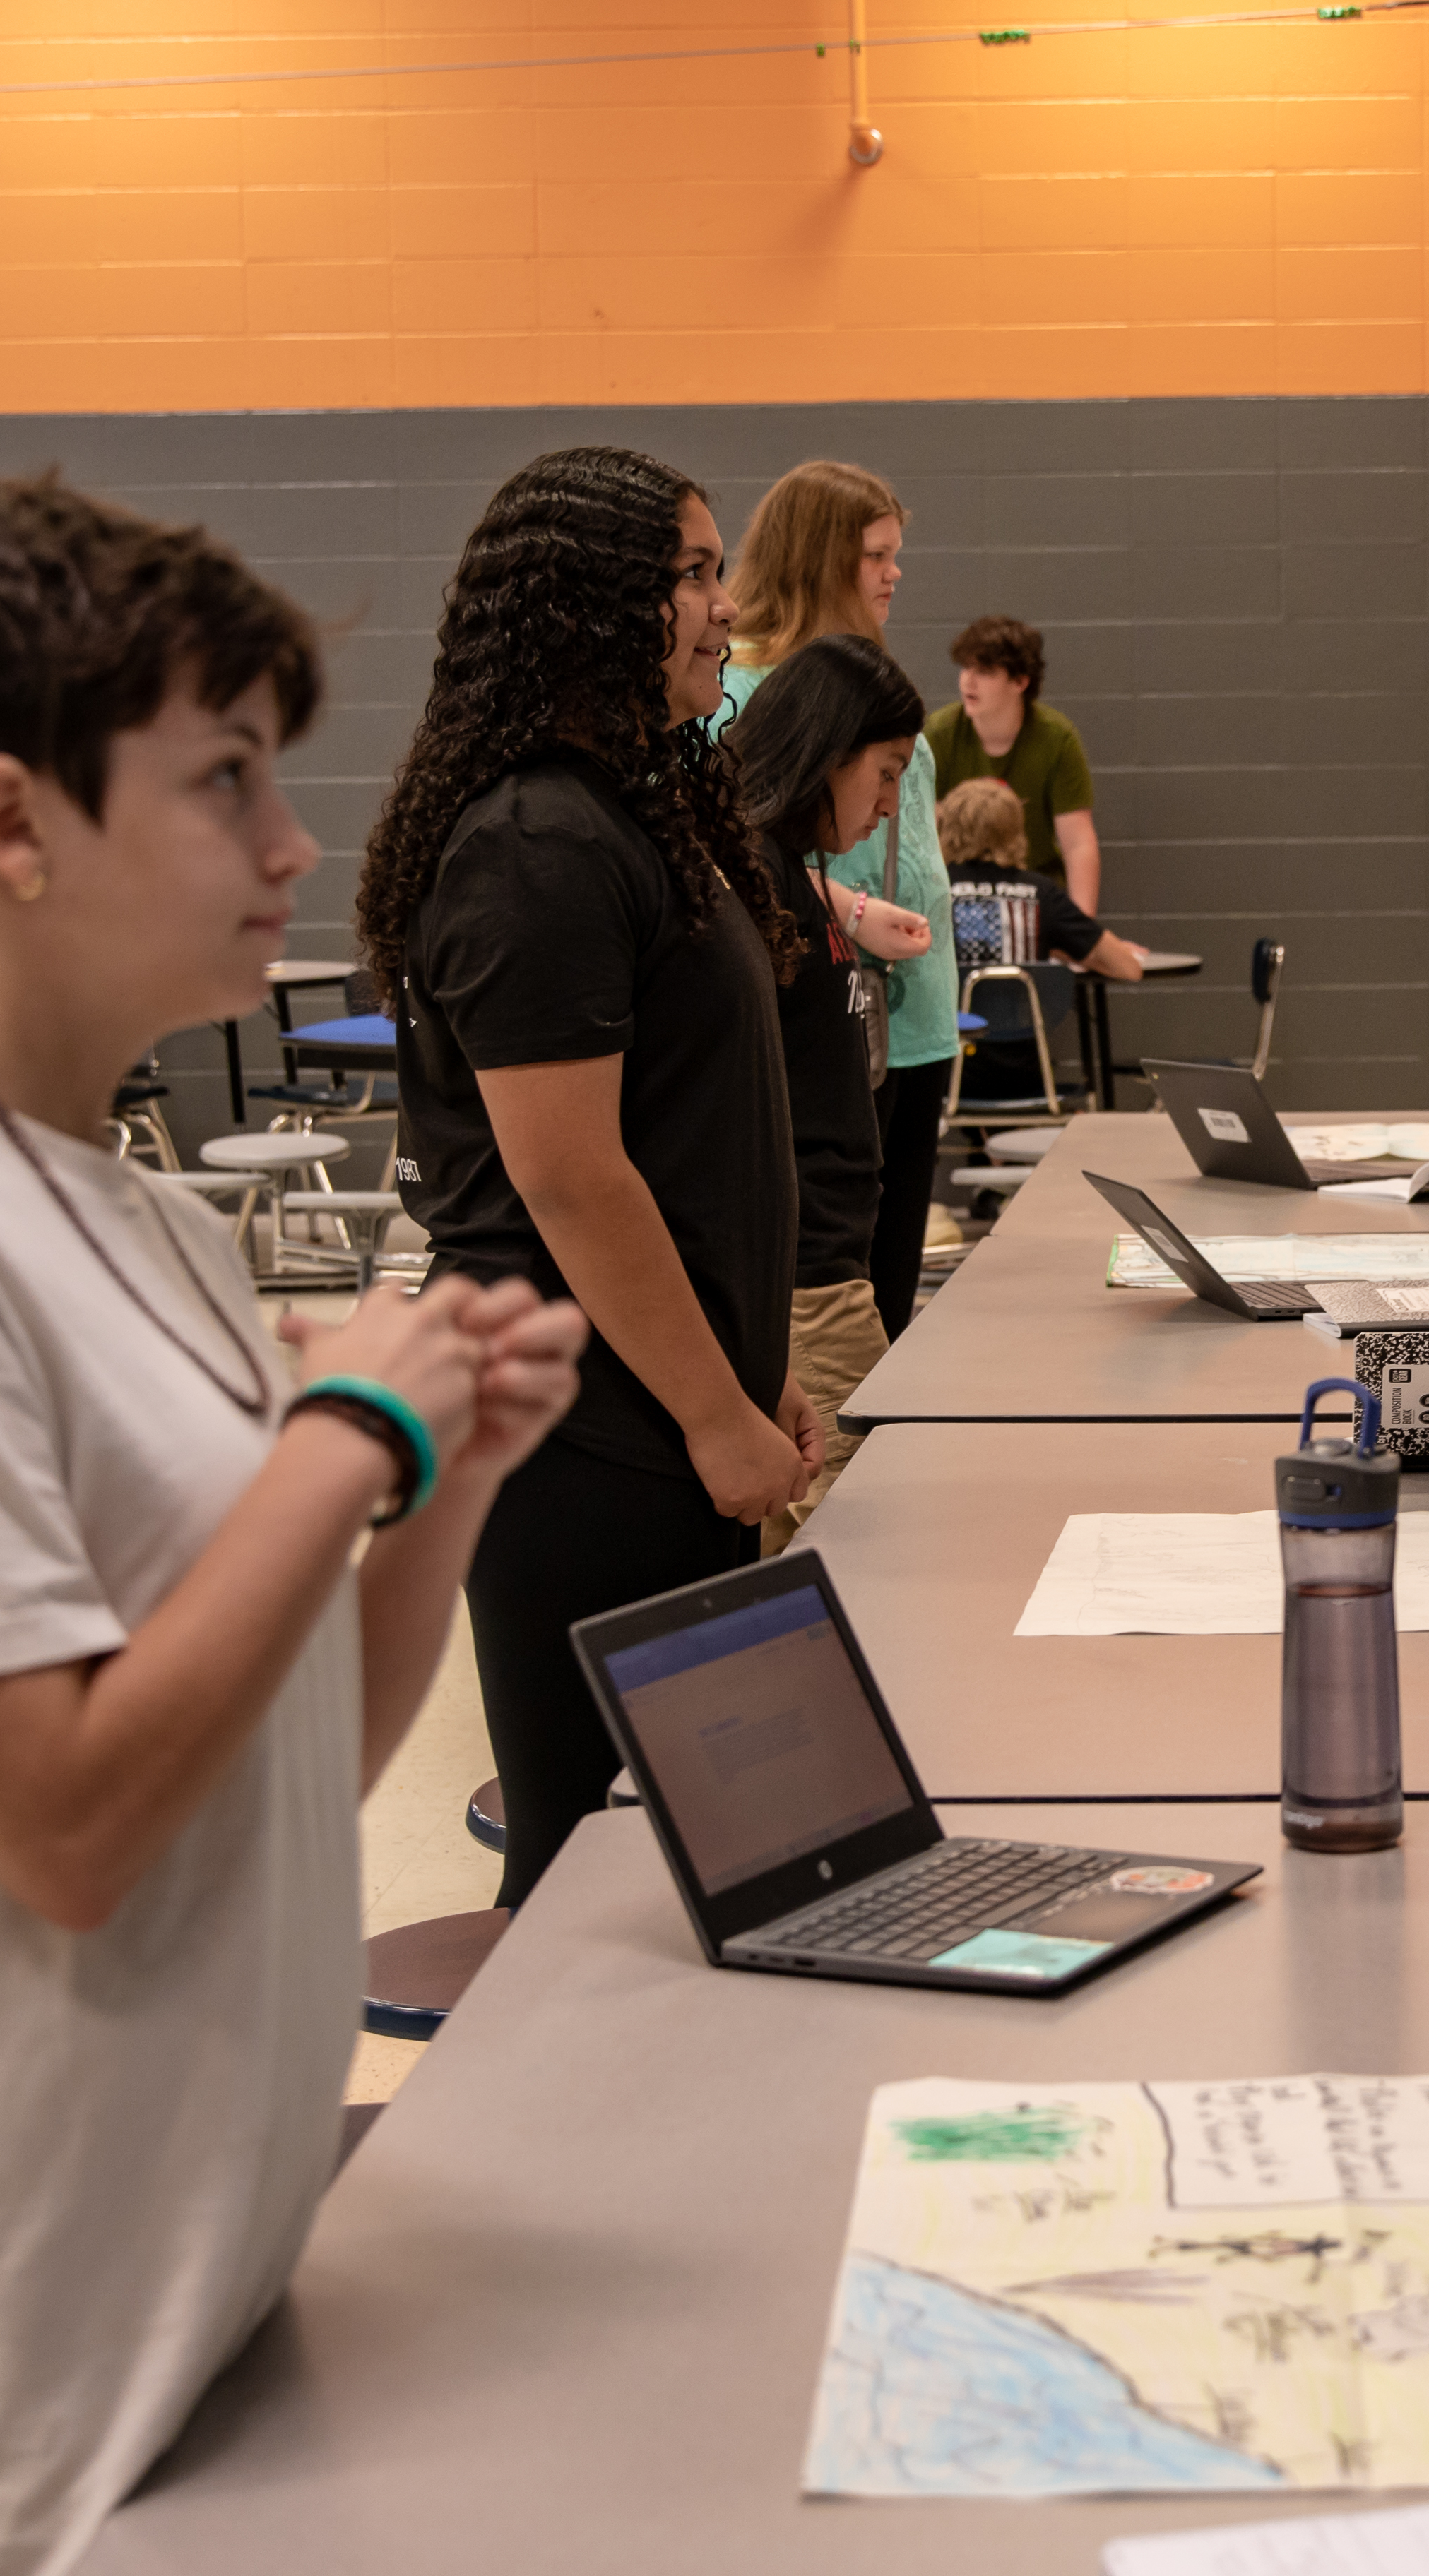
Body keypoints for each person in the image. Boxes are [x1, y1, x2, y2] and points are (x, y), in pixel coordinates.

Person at [0, 473, 586, 2576]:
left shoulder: (143, 1219)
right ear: (13, 827)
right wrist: (349, 1434)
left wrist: (445, 1483)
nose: (290, 845)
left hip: (218, 2260)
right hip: (19, 2332)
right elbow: (74, 1831)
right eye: (221, 783)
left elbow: (292, 1761)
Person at [358, 445, 814, 1910]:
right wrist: (712, 1408)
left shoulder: (632, 815)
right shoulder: (533, 845)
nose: (722, 605)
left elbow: (687, 1143)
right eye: (690, 571)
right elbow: (572, 1181)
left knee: (702, 1852)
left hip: (660, 1406)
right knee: (596, 1875)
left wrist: (752, 1373)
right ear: (588, 603)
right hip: (582, 1431)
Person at [720, 461, 956, 1341]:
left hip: (913, 1016)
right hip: (824, 1011)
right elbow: (740, 851)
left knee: (888, 1281)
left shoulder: (877, 683)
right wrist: (852, 916)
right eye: (876, 555)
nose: (894, 574)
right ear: (822, 558)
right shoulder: (741, 690)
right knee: (833, 1274)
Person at [725, 632, 935, 1539]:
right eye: (884, 774)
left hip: (829, 1265)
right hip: (806, 1280)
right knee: (847, 1545)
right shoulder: (753, 879)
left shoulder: (796, 878)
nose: (890, 806)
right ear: (824, 753)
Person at [926, 614, 1105, 912]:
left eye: (985, 671)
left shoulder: (1057, 738)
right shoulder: (940, 733)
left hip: (1035, 895)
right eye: (966, 667)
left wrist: (1081, 931)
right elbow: (924, 834)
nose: (968, 680)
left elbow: (1078, 844)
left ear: (1020, 681)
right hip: (958, 895)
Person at [936, 774, 1144, 977]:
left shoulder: (933, 890)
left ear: (946, 828)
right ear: (1015, 828)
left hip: (949, 1012)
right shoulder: (1042, 894)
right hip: (1023, 1012)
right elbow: (1128, 968)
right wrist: (1058, 948)